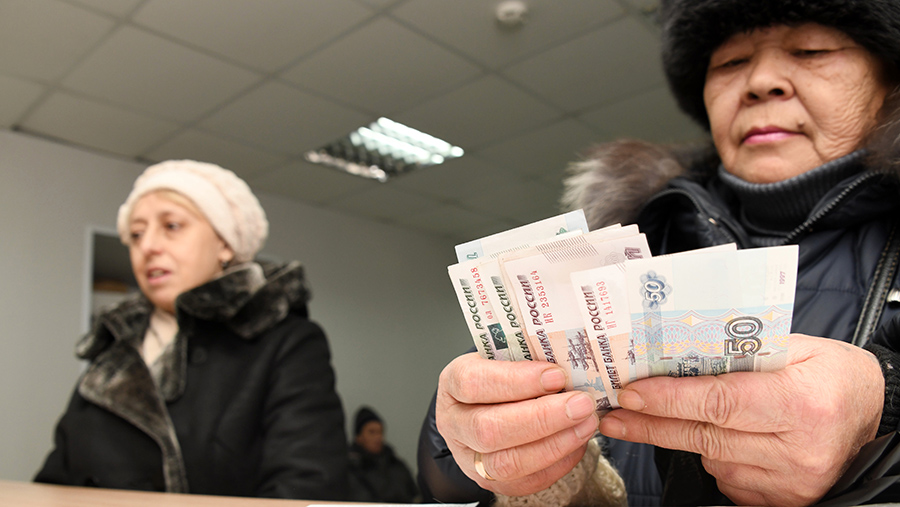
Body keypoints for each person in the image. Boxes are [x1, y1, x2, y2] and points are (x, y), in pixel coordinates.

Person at [419, 0, 900, 506]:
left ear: (887, 75)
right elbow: (444, 488)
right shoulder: (627, 238)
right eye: (731, 62)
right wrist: (473, 443)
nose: (761, 82)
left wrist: (885, 405)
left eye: (811, 51)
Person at [34, 160, 349, 499]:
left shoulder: (285, 343)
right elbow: (54, 484)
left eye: (171, 226)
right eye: (136, 234)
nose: (147, 246)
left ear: (225, 244)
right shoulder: (111, 352)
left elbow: (307, 487)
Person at [348, 406, 419, 503]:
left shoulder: (397, 465)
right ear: (359, 436)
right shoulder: (349, 467)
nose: (378, 437)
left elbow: (415, 496)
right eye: (372, 432)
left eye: (380, 432)